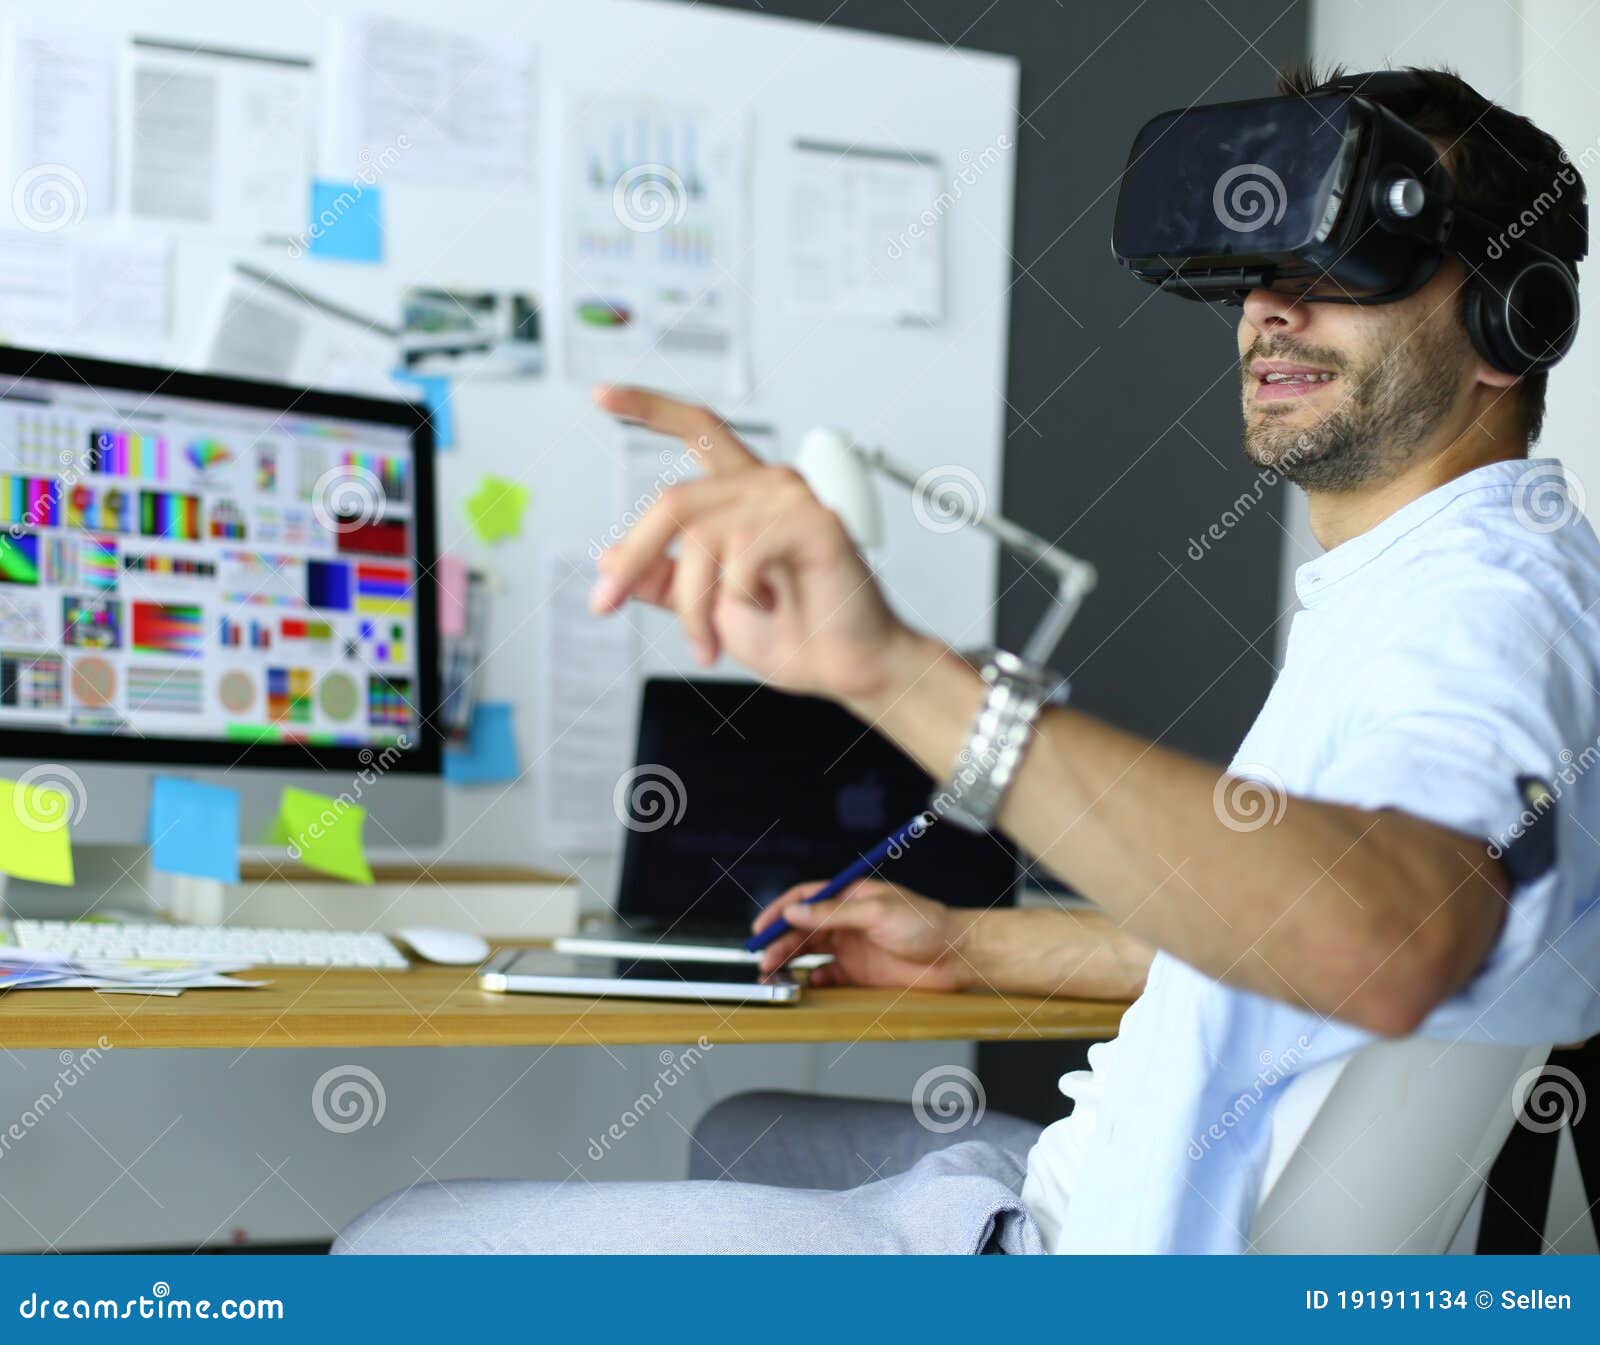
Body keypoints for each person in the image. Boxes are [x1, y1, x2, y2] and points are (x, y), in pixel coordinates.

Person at [337, 66, 1600, 1255]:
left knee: (387, 1245)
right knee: (745, 1128)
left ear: (1511, 320)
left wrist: (892, 669)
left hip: (1081, 1258)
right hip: (1095, 1192)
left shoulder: (1487, 613)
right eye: (1264, 264)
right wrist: (980, 946)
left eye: (1350, 257)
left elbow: (1391, 936)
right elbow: (1295, 952)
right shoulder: (1445, 580)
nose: (1272, 305)